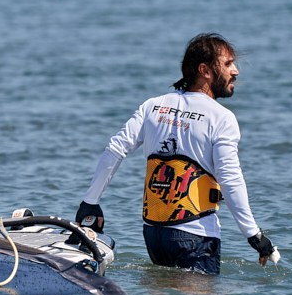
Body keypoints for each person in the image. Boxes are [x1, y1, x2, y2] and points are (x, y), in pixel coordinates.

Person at [74, 33, 277, 274]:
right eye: (228, 64)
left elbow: (116, 149)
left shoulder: (153, 106)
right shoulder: (221, 118)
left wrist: (90, 201)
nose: (236, 71)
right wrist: (254, 234)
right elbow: (230, 179)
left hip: (154, 234)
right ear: (205, 70)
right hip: (196, 235)